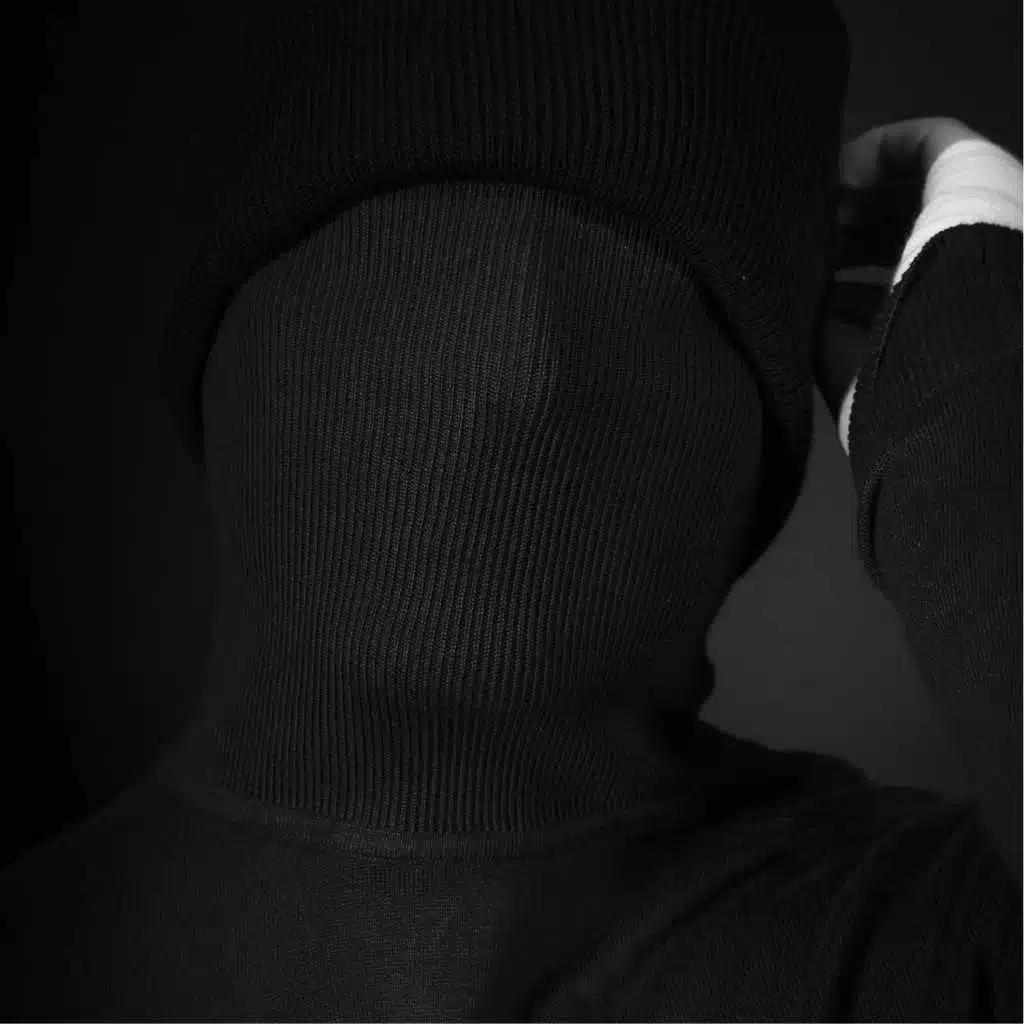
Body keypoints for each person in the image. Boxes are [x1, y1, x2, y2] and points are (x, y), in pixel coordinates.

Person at [0, 2, 1020, 1018]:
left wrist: (976, 386)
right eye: (409, 265)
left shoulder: (918, 950)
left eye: (635, 297)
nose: (523, 371)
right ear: (221, 352)